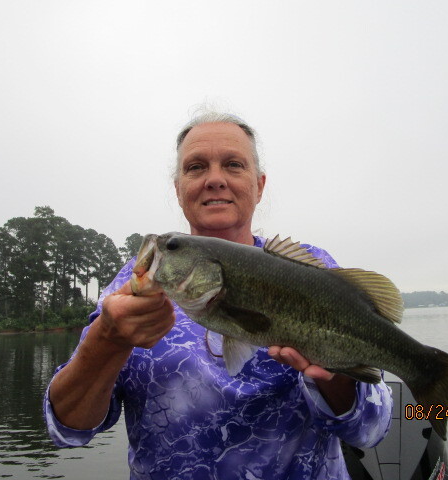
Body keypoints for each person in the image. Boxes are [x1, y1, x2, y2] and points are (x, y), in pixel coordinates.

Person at [44, 111, 393, 479]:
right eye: (196, 167)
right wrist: (107, 340)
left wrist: (335, 376)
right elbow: (68, 430)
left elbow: (370, 430)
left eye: (233, 164)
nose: (215, 179)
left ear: (259, 185)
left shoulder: (315, 271)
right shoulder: (130, 288)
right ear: (178, 189)